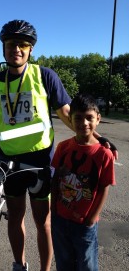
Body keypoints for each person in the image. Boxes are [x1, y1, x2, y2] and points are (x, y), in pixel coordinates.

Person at [0, 20, 117, 271]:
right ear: (3, 48)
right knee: (14, 219)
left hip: (41, 163)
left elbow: (67, 113)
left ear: (31, 50)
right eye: (11, 44)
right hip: (9, 162)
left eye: (23, 45)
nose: (17, 50)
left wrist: (97, 138)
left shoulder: (45, 76)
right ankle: (19, 265)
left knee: (43, 222)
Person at [51, 94, 116, 271]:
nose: (84, 123)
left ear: (98, 119)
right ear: (70, 119)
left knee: (87, 264)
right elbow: (56, 178)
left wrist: (91, 218)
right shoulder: (63, 147)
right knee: (63, 262)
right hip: (60, 217)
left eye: (89, 118)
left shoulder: (104, 154)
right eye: (78, 118)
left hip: (84, 222)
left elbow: (104, 188)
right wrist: (54, 208)